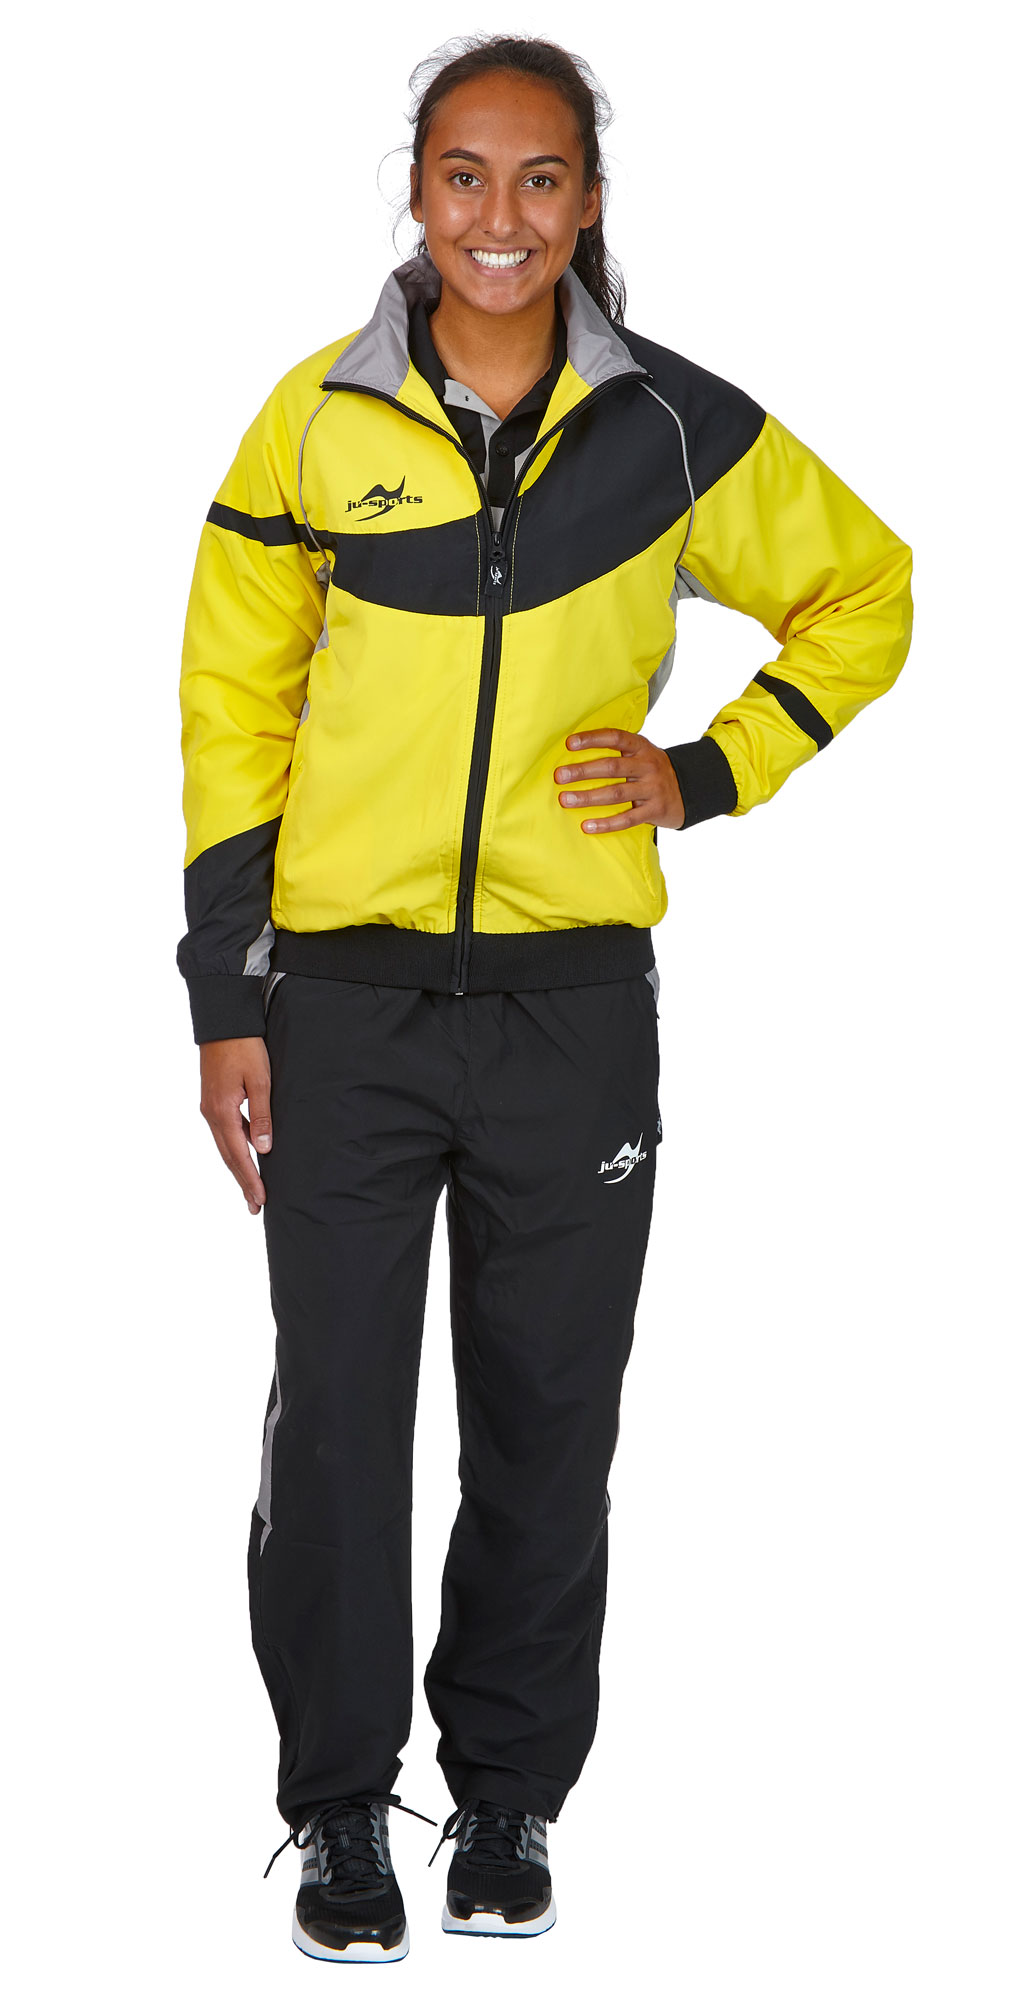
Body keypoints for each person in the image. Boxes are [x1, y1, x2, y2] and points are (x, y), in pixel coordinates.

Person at [176, 31, 913, 1963]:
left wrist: (709, 767)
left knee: (545, 1416)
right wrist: (225, 994)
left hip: (573, 1009)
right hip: (339, 1006)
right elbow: (233, 708)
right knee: (338, 1421)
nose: (499, 217)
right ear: (416, 192)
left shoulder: (668, 426)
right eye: (465, 175)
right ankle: (340, 1805)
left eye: (540, 178)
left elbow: (868, 587)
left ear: (587, 201)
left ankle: (505, 1790)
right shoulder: (310, 428)